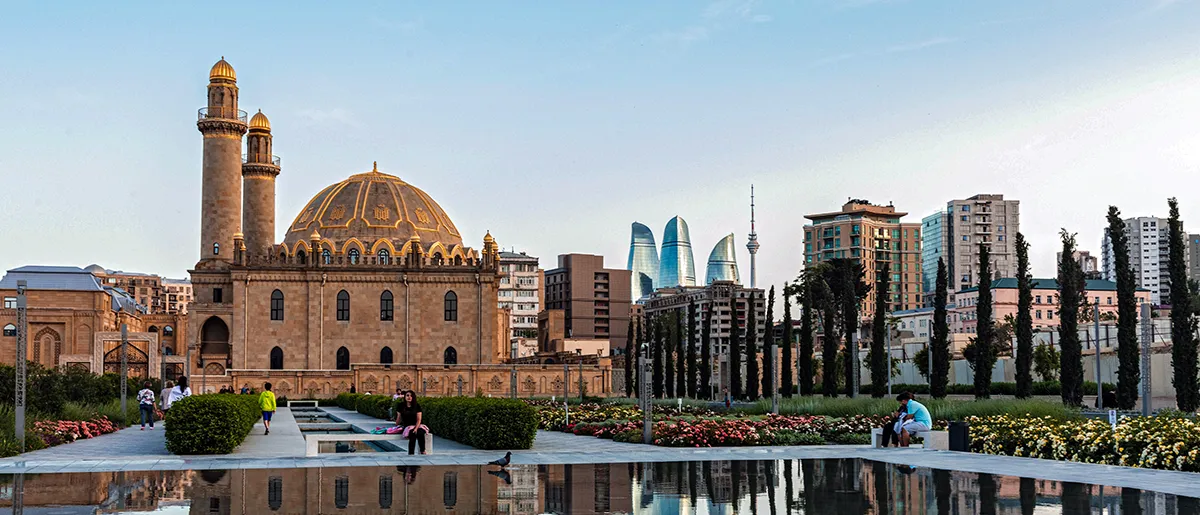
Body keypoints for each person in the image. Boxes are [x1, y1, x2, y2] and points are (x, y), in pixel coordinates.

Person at [395, 390, 429, 455]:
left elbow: (419, 419)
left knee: (420, 433)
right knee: (412, 434)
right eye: (407, 395)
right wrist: (396, 423)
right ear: (405, 397)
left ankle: (422, 450)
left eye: (411, 396)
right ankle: (411, 453)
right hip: (407, 426)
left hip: (417, 425)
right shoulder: (401, 406)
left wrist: (416, 428)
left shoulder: (416, 406)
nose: (409, 397)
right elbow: (398, 418)